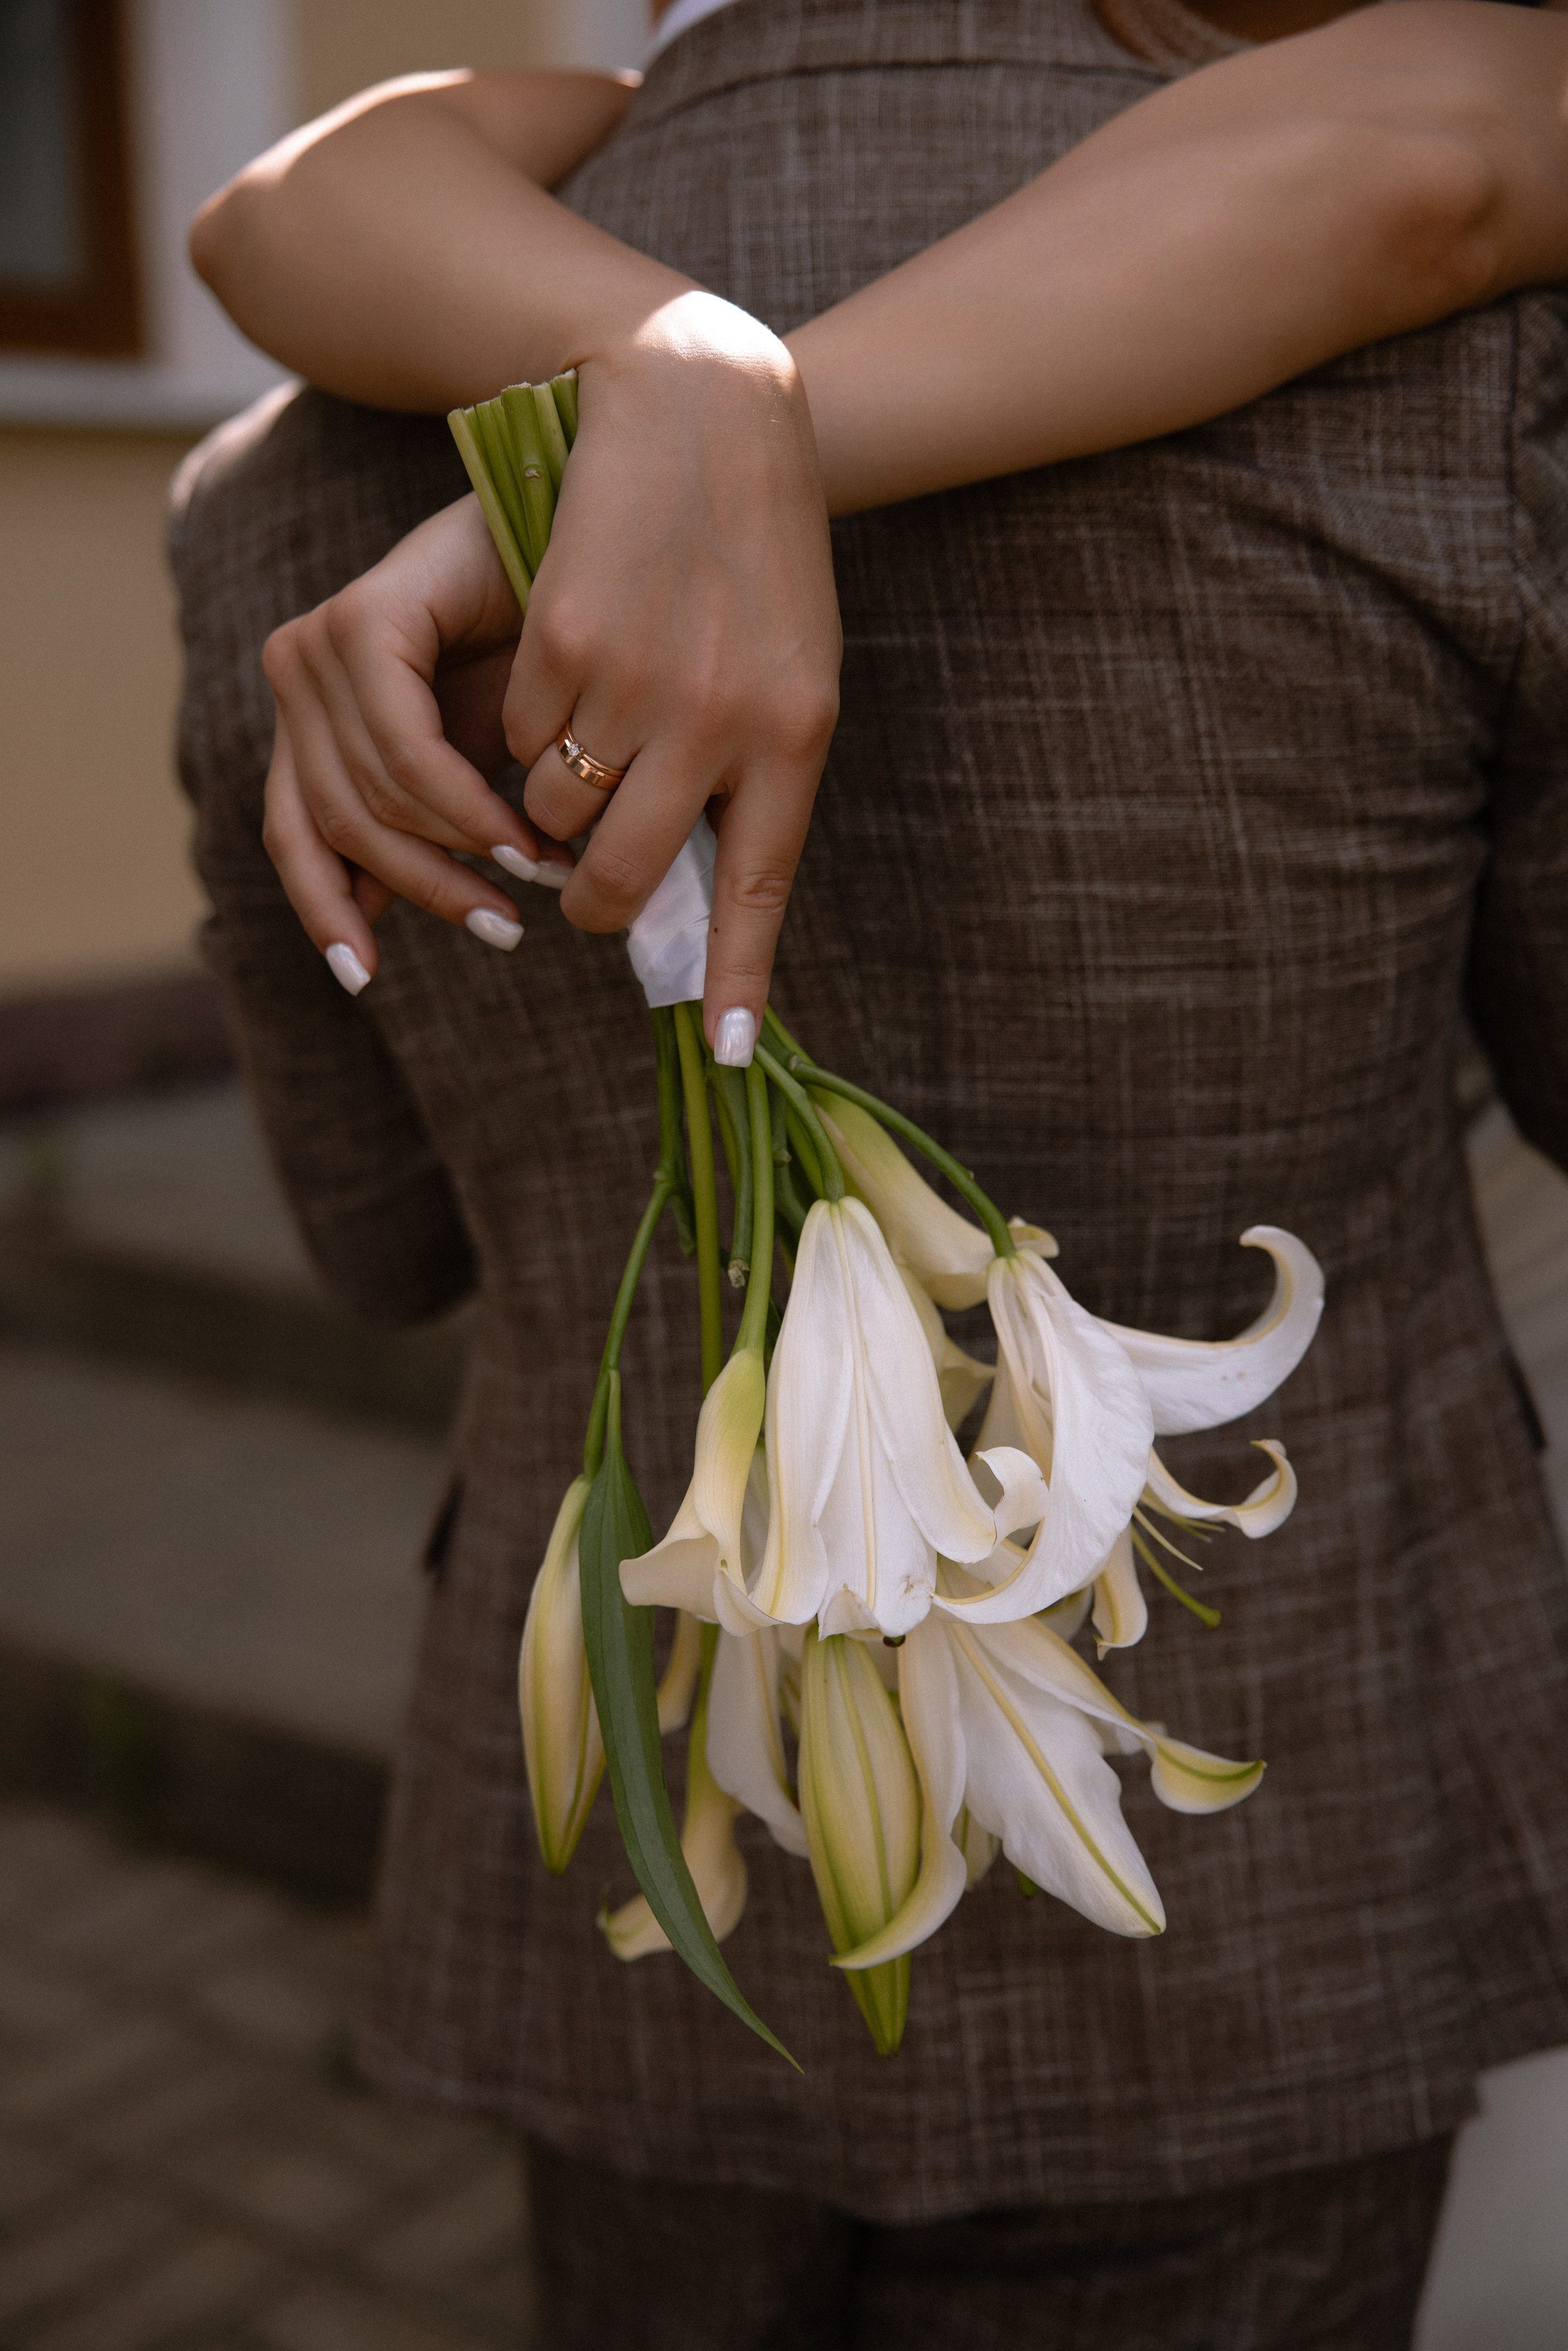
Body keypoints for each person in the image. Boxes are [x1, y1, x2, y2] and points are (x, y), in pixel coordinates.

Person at [170, 2, 1568, 2342]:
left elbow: (379, 1242)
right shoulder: (1475, 370)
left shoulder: (287, 485)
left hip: (639, 1856)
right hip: (1294, 1893)